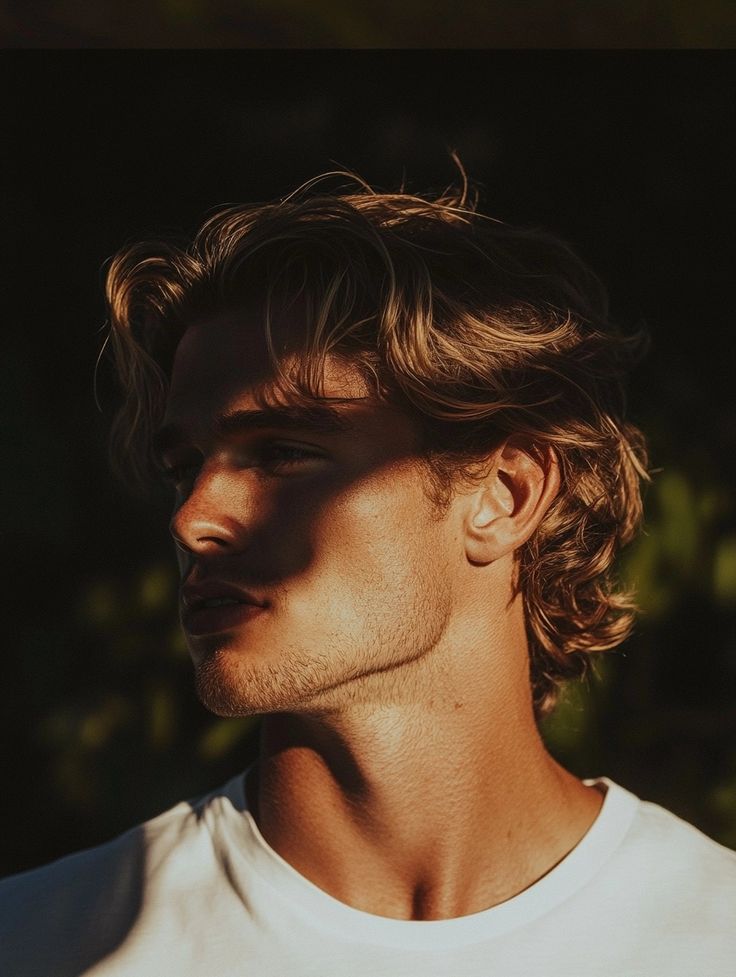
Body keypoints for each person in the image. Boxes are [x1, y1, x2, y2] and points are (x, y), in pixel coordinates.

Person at [1, 171, 733, 976]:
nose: (193, 517)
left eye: (283, 452)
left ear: (505, 494)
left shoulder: (710, 937)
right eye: (183, 467)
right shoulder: (43, 942)